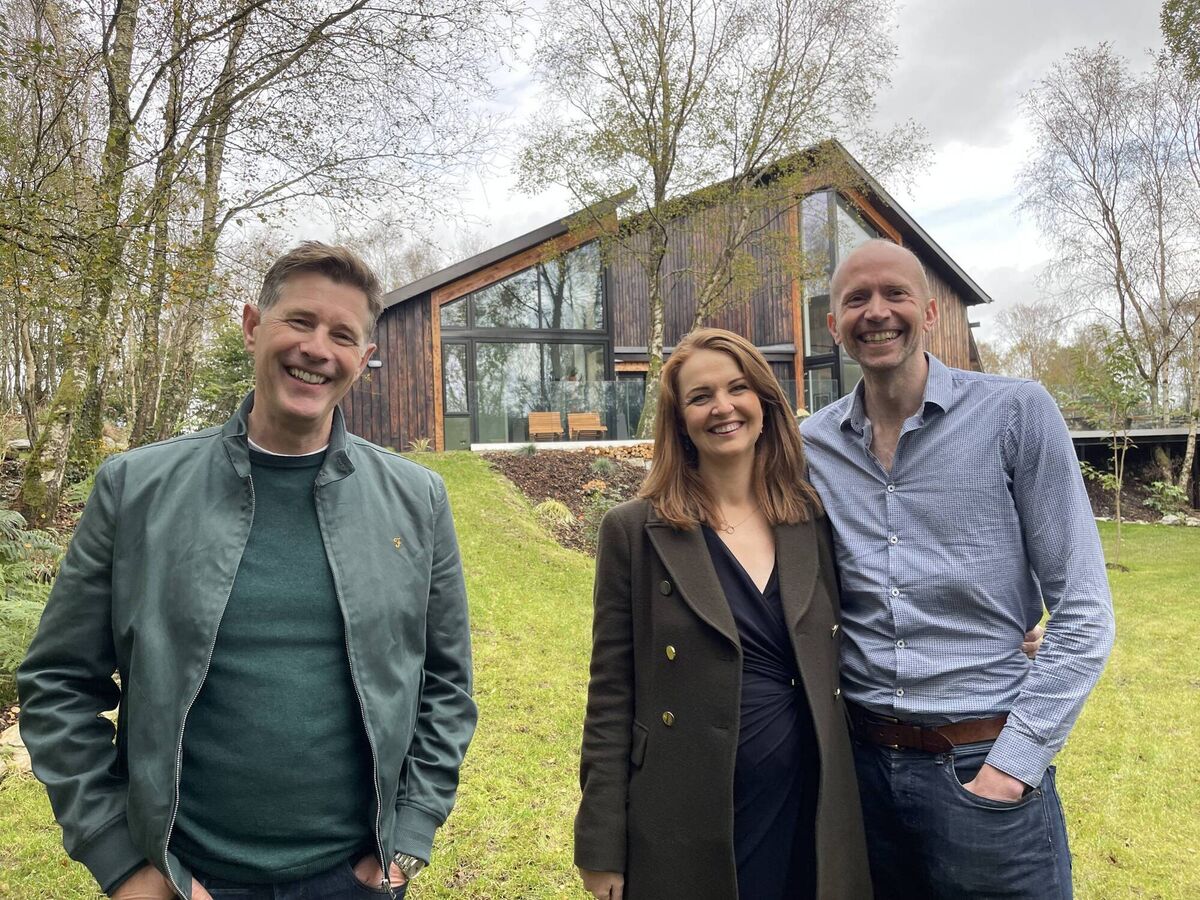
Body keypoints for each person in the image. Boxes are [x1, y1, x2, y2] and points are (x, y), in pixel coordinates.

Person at [18, 242, 477, 900]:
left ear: (363, 359)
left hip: (353, 879)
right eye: (299, 321)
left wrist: (407, 839)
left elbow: (447, 688)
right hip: (187, 878)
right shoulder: (135, 490)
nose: (318, 348)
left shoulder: (416, 500)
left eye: (343, 335)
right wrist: (120, 861)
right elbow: (58, 683)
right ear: (251, 325)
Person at [800, 239, 1116, 899]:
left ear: (932, 313)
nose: (876, 311)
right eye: (856, 298)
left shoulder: (1016, 415)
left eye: (895, 294)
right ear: (832, 325)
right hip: (860, 776)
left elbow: (1084, 612)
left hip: (981, 766)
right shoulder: (812, 446)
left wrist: (1012, 768)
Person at [575, 328, 872, 900]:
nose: (723, 407)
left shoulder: (811, 519)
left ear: (763, 400)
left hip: (811, 808)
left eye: (738, 388)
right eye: (700, 396)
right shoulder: (635, 532)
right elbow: (610, 697)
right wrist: (600, 845)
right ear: (679, 419)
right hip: (688, 817)